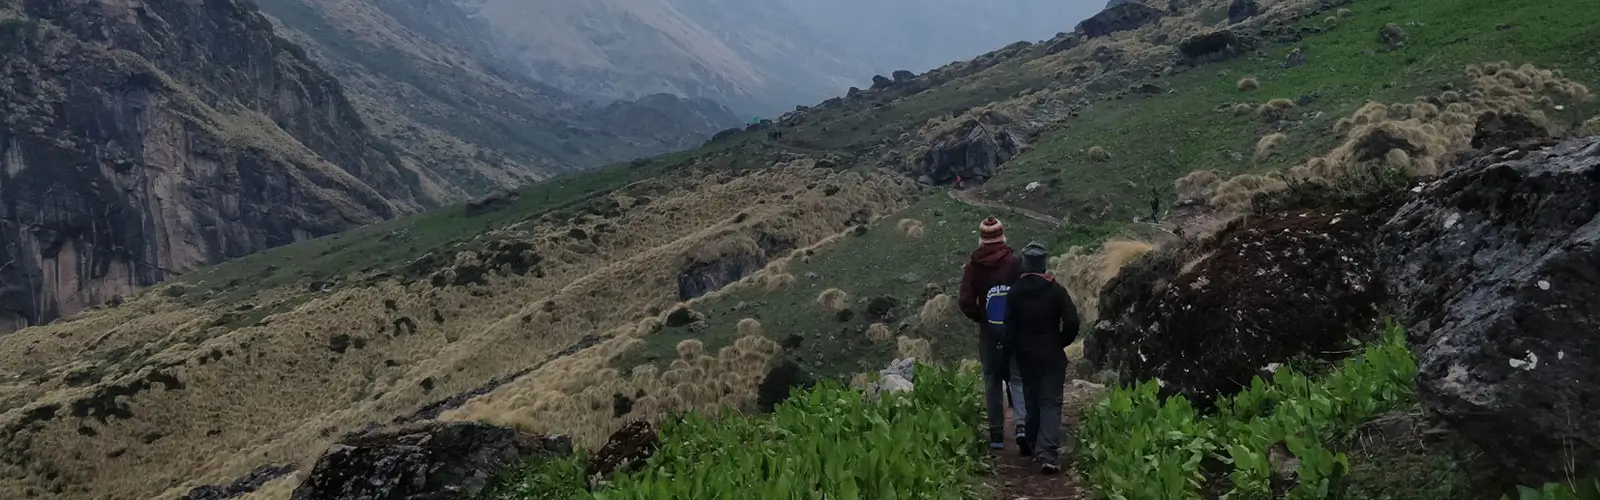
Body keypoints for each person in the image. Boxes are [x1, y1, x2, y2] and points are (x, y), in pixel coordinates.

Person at [1006, 240, 1080, 475]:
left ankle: (1031, 440)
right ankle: (1047, 453)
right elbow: (1072, 322)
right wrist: (1061, 341)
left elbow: (1008, 328)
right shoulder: (1056, 291)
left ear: (1025, 264)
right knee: (1050, 402)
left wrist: (1010, 352)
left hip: (1025, 355)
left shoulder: (1015, 292)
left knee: (1031, 398)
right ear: (1044, 265)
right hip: (1051, 355)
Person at [958, 217, 1029, 453]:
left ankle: (996, 434)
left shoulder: (973, 266)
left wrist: (983, 318)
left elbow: (965, 301)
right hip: (1014, 330)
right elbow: (1026, 291)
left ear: (982, 238)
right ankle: (1022, 426)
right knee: (1018, 376)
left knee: (992, 380)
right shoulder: (1015, 262)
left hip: (989, 332)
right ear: (1002, 236)